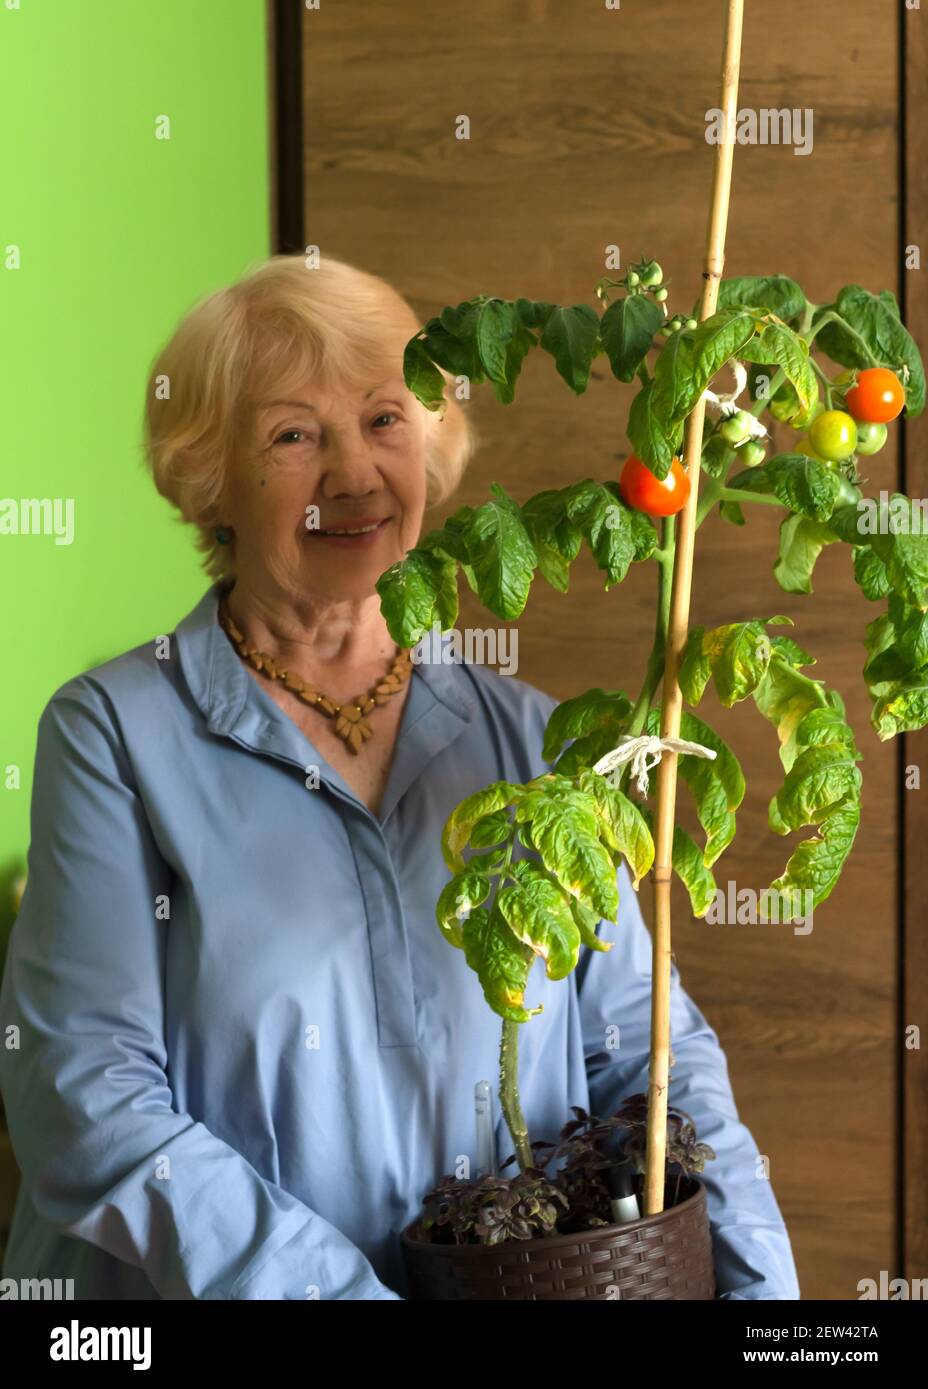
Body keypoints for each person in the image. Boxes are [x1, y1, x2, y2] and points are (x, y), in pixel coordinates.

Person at [0, 253, 800, 1300]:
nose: (353, 474)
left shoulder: (535, 742)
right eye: (294, 435)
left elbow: (648, 1065)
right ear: (210, 479)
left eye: (384, 421)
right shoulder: (115, 733)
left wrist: (762, 1301)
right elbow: (86, 1100)